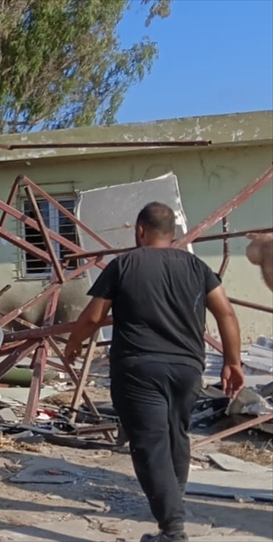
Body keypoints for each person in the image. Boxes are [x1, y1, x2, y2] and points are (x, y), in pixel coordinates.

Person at [64, 202, 244, 542]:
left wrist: (73, 344)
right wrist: (233, 362)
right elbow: (227, 315)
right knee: (177, 436)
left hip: (138, 369)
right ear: (173, 234)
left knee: (150, 443)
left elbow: (92, 317)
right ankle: (172, 508)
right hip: (188, 369)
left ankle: (173, 530)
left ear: (140, 232)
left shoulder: (124, 264)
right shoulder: (196, 266)